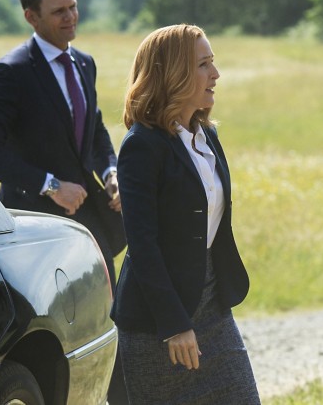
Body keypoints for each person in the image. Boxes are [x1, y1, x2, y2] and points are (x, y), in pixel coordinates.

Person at [0, 0, 127, 403]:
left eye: (73, 6)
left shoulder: (84, 63)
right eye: (59, 11)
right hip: (33, 234)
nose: (71, 16)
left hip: (89, 226)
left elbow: (94, 132)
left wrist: (111, 170)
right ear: (31, 17)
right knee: (53, 340)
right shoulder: (10, 72)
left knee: (108, 326)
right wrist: (50, 185)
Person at [110, 24, 260, 404]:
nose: (216, 74)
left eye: (213, 62)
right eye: (204, 64)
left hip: (213, 310)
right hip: (157, 324)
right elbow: (142, 245)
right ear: (173, 74)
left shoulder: (207, 136)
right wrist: (174, 324)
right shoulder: (142, 145)